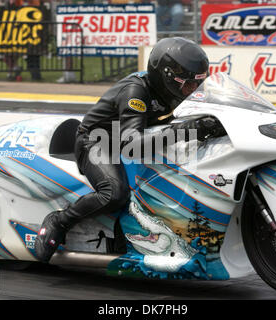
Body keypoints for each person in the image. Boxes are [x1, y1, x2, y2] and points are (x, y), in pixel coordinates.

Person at [35, 37, 221, 263]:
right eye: (188, 83)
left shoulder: (177, 93)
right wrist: (186, 129)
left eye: (197, 83)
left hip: (130, 138)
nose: (193, 89)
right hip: (97, 141)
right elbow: (132, 146)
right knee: (114, 193)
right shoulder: (135, 91)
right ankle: (60, 221)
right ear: (167, 76)